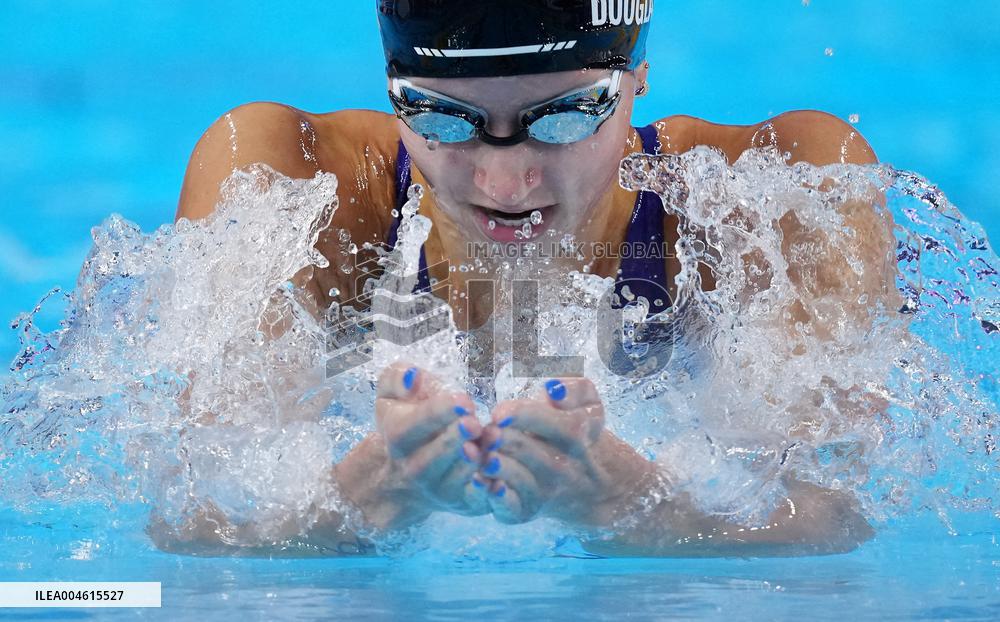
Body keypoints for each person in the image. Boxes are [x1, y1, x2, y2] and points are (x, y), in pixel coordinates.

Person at [154, 0, 889, 556]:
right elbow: (193, 521)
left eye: (566, 117)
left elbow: (841, 517)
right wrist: (368, 494)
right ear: (391, 89)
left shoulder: (776, 194)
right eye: (443, 117)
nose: (506, 181)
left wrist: (636, 507)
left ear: (637, 74)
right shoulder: (290, 182)